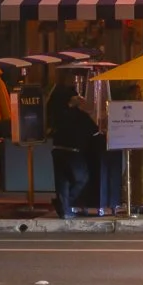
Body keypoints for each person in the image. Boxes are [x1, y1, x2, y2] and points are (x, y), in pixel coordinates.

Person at [51, 87, 101, 217]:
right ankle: (64, 205)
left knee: (62, 182)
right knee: (81, 179)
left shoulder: (57, 114)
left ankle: (64, 209)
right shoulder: (80, 116)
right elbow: (95, 132)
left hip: (57, 150)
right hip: (73, 152)